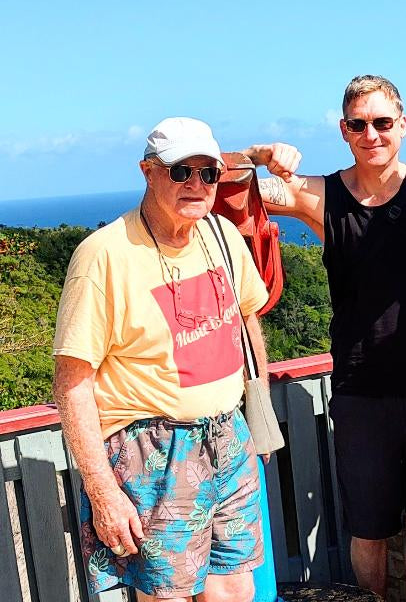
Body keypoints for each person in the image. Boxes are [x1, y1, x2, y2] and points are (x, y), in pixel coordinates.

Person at [245, 75, 406, 600]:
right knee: (368, 527)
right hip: (360, 390)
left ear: (403, 126)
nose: (372, 134)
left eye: (383, 122)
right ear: (343, 130)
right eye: (359, 124)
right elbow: (221, 186)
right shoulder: (320, 195)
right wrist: (257, 153)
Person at [53, 117, 270, 601]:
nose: (196, 184)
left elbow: (248, 320)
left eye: (207, 173)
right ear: (148, 172)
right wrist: (102, 490)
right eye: (180, 172)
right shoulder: (103, 255)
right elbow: (72, 382)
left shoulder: (222, 236)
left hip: (227, 437)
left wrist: (259, 420)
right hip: (153, 448)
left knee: (236, 586)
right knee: (166, 595)